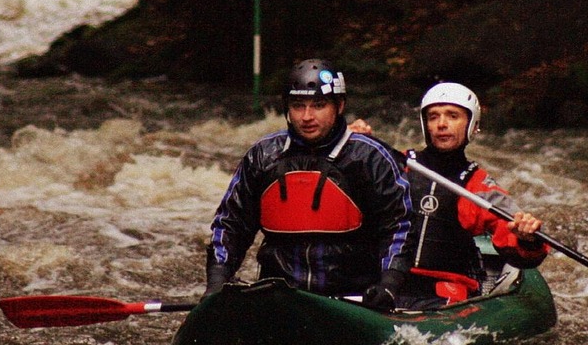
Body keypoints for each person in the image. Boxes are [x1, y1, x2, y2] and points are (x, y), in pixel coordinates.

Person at [203, 58, 413, 301]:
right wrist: (218, 280)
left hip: (353, 299)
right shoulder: (263, 156)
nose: (306, 116)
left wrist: (389, 283)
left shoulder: (371, 159)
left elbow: (399, 226)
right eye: (298, 105)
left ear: (339, 106)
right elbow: (231, 224)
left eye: (318, 105)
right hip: (282, 296)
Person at [362, 82, 550, 311]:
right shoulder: (395, 165)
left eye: (452, 116)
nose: (442, 124)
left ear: (472, 125)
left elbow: (517, 247)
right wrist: (355, 147)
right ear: (425, 124)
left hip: (445, 290)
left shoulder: (479, 186)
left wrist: (527, 238)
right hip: (387, 281)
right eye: (433, 117)